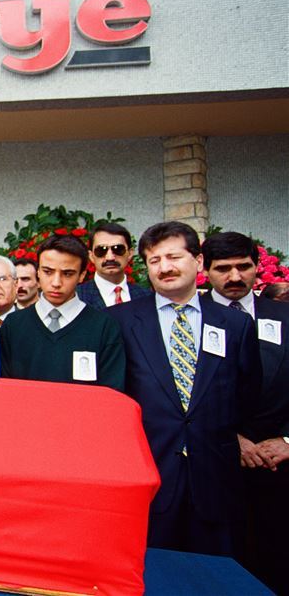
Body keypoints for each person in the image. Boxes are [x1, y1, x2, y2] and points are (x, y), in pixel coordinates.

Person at [109, 221, 261, 558]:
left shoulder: (235, 324)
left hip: (216, 477)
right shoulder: (120, 321)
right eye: (154, 260)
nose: (164, 268)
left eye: (174, 257)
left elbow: (249, 392)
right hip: (151, 473)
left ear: (198, 260)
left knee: (215, 573)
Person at [201, 231, 288, 594]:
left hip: (279, 467)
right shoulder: (191, 318)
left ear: (257, 268)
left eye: (244, 267)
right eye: (223, 268)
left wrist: (287, 440)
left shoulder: (284, 316)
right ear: (205, 270)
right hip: (215, 464)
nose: (235, 276)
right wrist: (230, 438)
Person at [0, 234, 125, 390]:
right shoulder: (14, 325)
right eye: (48, 272)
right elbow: (3, 388)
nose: (56, 282)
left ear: (82, 275)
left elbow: (111, 393)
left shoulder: (104, 327)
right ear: (38, 272)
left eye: (67, 274)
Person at [77, 223, 149, 309]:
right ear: (91, 256)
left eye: (118, 249)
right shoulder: (75, 297)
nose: (110, 257)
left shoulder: (146, 296)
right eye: (101, 250)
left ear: (130, 254)